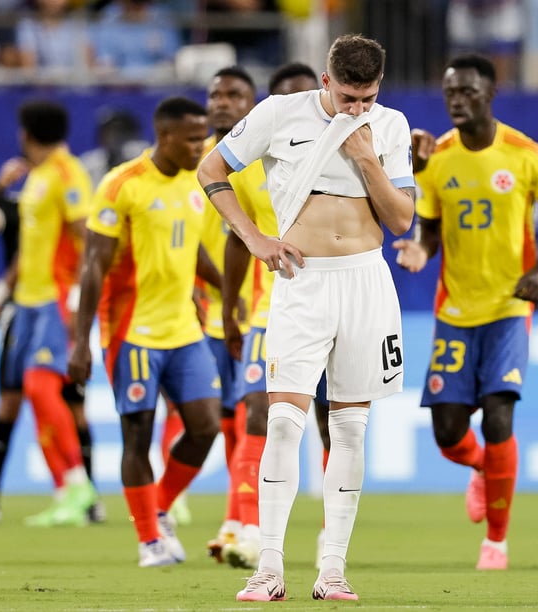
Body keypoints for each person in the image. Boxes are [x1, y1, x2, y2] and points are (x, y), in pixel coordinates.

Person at [198, 34, 415, 601]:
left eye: (367, 97)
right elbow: (211, 168)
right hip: (302, 282)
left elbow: (400, 221)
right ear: (326, 79)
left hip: (367, 281)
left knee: (347, 428)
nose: (356, 109)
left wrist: (367, 156)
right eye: (347, 96)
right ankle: (268, 568)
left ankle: (333, 569)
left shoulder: (389, 127)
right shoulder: (277, 114)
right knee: (283, 423)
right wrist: (252, 237)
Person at [393, 53, 538, 570]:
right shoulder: (437, 158)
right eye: (450, 92)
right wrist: (418, 249)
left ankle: (496, 541)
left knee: (499, 413)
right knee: (448, 432)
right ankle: (480, 469)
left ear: (490, 95)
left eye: (468, 92)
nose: (458, 101)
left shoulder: (526, 155)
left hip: (507, 307)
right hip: (455, 309)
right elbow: (428, 226)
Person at [68, 96, 223, 568]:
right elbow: (94, 265)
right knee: (137, 437)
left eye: (204, 137)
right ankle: (149, 539)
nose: (201, 146)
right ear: (165, 136)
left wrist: (225, 291)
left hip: (183, 330)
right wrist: (81, 339)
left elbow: (192, 250)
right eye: (193, 138)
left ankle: (158, 505)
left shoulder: (198, 183)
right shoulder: (122, 186)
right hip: (133, 331)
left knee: (206, 427)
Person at [217, 60, 331, 571]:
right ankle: (244, 526)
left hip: (336, 304)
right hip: (272, 308)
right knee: (257, 412)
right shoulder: (258, 161)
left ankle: (334, 530)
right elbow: (239, 238)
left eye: (306, 96)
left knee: (334, 421)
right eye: (286, 100)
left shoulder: (350, 149)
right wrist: (229, 306)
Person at [0, 100, 98, 527]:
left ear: (26, 132)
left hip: (58, 298)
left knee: (40, 387)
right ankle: (66, 490)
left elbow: (87, 239)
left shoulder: (67, 173)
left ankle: (77, 485)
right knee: (35, 396)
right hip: (28, 300)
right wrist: (1, 292)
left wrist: (78, 298)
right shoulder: (36, 176)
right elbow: (29, 247)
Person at [196, 64, 258, 563]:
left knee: (246, 417)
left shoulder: (260, 161)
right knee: (224, 422)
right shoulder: (189, 159)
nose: (221, 101)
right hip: (198, 319)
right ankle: (236, 519)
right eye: (215, 93)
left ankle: (242, 523)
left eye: (233, 94)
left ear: (252, 104)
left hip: (251, 310)